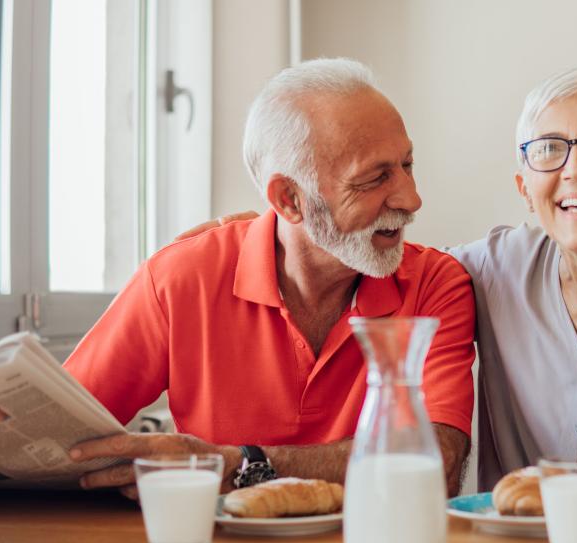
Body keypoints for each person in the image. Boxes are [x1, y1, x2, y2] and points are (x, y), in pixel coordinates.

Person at [182, 64, 577, 502]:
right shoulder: (485, 271)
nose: (576, 169)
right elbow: (369, 244)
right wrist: (275, 227)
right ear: (524, 190)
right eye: (550, 150)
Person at [63, 59, 476, 498]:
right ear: (290, 199)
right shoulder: (180, 278)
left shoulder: (435, 283)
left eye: (407, 164)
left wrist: (243, 464)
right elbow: (55, 443)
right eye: (374, 178)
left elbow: (436, 464)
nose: (411, 199)